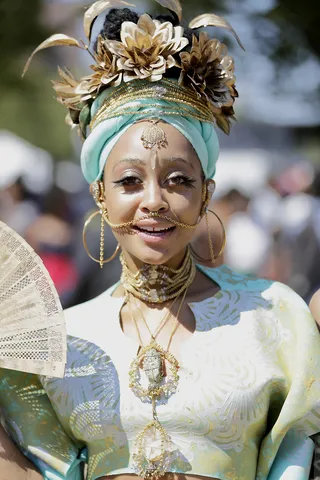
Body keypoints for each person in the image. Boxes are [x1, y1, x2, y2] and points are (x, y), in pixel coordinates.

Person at [1, 3, 320, 480]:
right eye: (130, 181)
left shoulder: (276, 319)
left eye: (178, 180)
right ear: (100, 194)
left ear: (206, 191)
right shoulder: (62, 342)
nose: (154, 201)